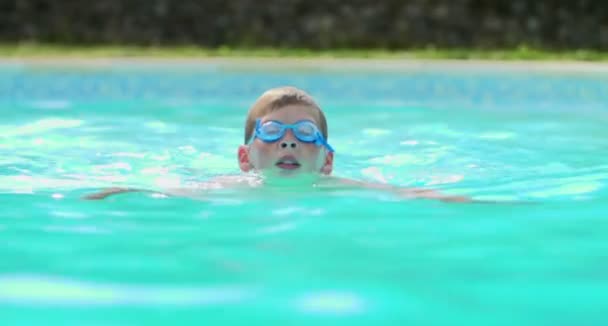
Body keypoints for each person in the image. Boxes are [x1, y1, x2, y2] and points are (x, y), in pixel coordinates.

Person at [85, 86, 468, 202]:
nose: (288, 144)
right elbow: (169, 192)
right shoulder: (228, 188)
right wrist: (123, 190)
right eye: (271, 133)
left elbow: (403, 193)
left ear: (327, 160)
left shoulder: (336, 188)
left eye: (304, 134)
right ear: (244, 157)